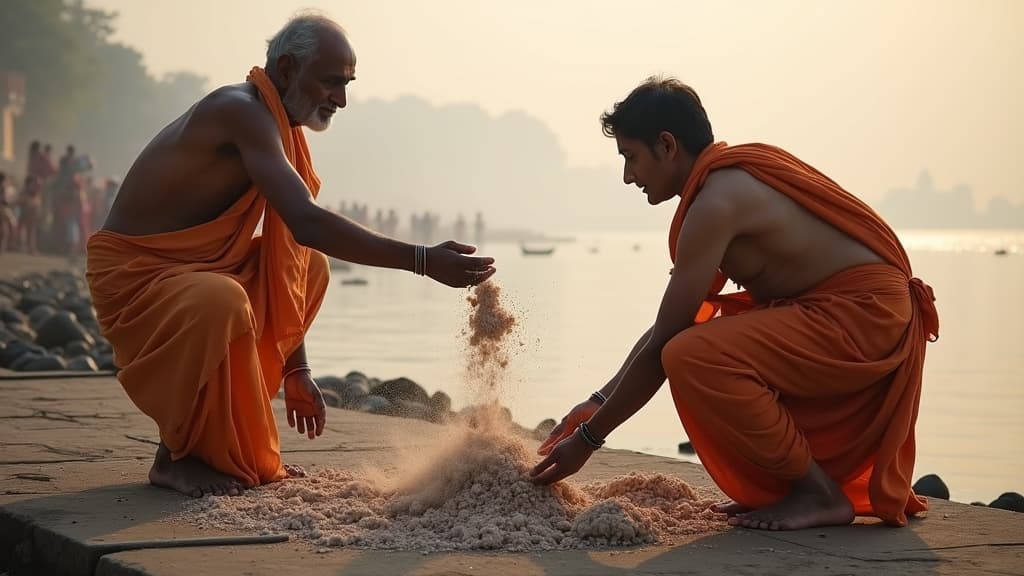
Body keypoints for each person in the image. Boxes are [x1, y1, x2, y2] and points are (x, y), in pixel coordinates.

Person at [85, 12, 496, 499]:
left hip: (197, 275)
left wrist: (297, 369)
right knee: (220, 299)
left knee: (311, 268)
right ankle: (174, 458)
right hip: (137, 276)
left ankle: (215, 446)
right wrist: (422, 260)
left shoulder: (280, 125)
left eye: (346, 85)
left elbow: (287, 256)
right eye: (331, 82)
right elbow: (307, 221)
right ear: (286, 69)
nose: (340, 99)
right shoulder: (240, 111)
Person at [529, 77, 939, 531]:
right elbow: (669, 325)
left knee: (692, 355)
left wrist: (589, 439)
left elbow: (668, 340)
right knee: (695, 345)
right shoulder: (727, 180)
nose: (628, 175)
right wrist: (598, 401)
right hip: (855, 309)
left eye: (631, 157)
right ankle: (790, 489)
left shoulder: (716, 203)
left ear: (667, 145)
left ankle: (818, 494)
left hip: (863, 314)